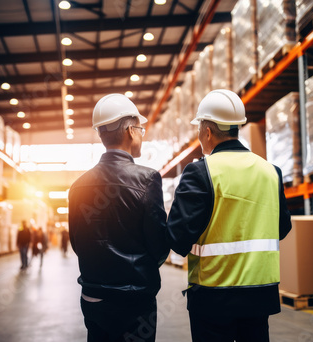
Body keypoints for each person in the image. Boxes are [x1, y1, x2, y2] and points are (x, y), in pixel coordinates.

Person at [166, 89, 292, 342]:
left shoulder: (201, 172)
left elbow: (178, 238)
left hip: (213, 296)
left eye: (199, 128)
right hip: (260, 295)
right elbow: (282, 228)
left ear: (208, 131)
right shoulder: (271, 171)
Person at [68, 93, 169, 342]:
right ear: (130, 131)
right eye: (140, 129)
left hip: (93, 297)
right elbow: (159, 244)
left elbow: (77, 243)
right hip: (134, 300)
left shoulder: (78, 186)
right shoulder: (147, 179)